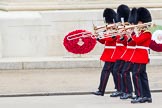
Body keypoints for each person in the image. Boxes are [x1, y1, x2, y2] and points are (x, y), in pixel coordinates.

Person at [129, 7, 152, 103]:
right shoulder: (140, 32)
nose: (137, 24)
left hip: (141, 57)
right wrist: (130, 34)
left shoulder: (147, 33)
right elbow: (133, 43)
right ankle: (147, 96)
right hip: (137, 56)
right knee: (142, 76)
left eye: (138, 22)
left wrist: (134, 32)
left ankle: (140, 95)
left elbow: (138, 40)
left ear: (143, 22)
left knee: (136, 75)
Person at [93, 8, 117, 96]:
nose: (109, 24)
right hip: (108, 53)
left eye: (110, 23)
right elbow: (104, 41)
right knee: (114, 72)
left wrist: (106, 33)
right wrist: (97, 37)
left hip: (113, 53)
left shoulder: (116, 31)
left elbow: (110, 39)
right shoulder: (108, 30)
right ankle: (118, 89)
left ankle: (101, 90)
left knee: (107, 71)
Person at [110, 4, 130, 97]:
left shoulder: (127, 27)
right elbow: (116, 39)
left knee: (121, 71)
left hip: (123, 52)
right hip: (118, 52)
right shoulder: (120, 27)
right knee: (116, 71)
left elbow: (127, 41)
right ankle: (121, 89)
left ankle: (127, 91)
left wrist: (122, 36)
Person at [119, 7, 138, 99]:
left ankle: (129, 92)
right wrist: (123, 36)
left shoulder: (137, 33)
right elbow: (126, 43)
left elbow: (136, 42)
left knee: (126, 72)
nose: (130, 25)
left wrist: (130, 35)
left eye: (132, 23)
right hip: (128, 54)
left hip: (134, 54)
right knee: (124, 72)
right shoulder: (132, 32)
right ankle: (127, 91)